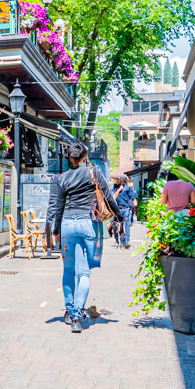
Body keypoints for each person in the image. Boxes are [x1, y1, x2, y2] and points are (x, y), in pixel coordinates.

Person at [46, 141, 117, 333]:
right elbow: (108, 196)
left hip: (67, 225)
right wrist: (119, 216)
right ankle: (78, 315)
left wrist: (54, 232)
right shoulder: (94, 173)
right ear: (85, 157)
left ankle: (69, 312)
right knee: (83, 272)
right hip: (87, 224)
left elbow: (57, 207)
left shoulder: (62, 178)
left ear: (70, 158)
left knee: (68, 271)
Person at [112, 174, 138, 248]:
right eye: (116, 179)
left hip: (126, 209)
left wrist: (135, 210)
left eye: (118, 179)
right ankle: (122, 240)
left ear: (121, 180)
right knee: (120, 226)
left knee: (127, 225)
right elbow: (113, 198)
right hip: (118, 209)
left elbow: (133, 198)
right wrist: (119, 190)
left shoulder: (127, 188)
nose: (117, 180)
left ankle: (127, 241)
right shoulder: (113, 189)